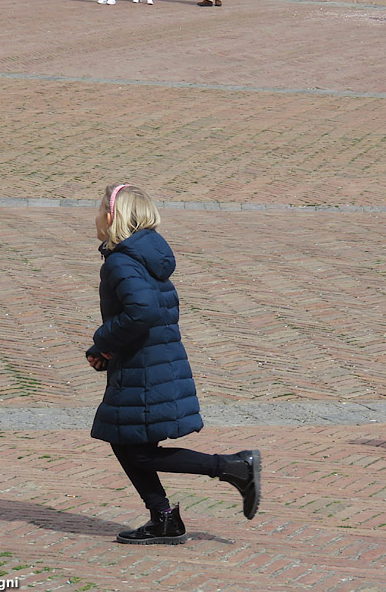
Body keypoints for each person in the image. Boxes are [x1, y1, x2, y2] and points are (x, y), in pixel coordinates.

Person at [87, 183, 262, 544]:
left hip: (145, 368)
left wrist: (103, 341)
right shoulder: (146, 256)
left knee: (133, 446)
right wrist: (111, 349)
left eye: (100, 209)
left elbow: (143, 312)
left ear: (112, 216)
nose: (96, 216)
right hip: (150, 360)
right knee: (124, 439)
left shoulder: (122, 261)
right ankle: (164, 518)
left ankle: (233, 467)